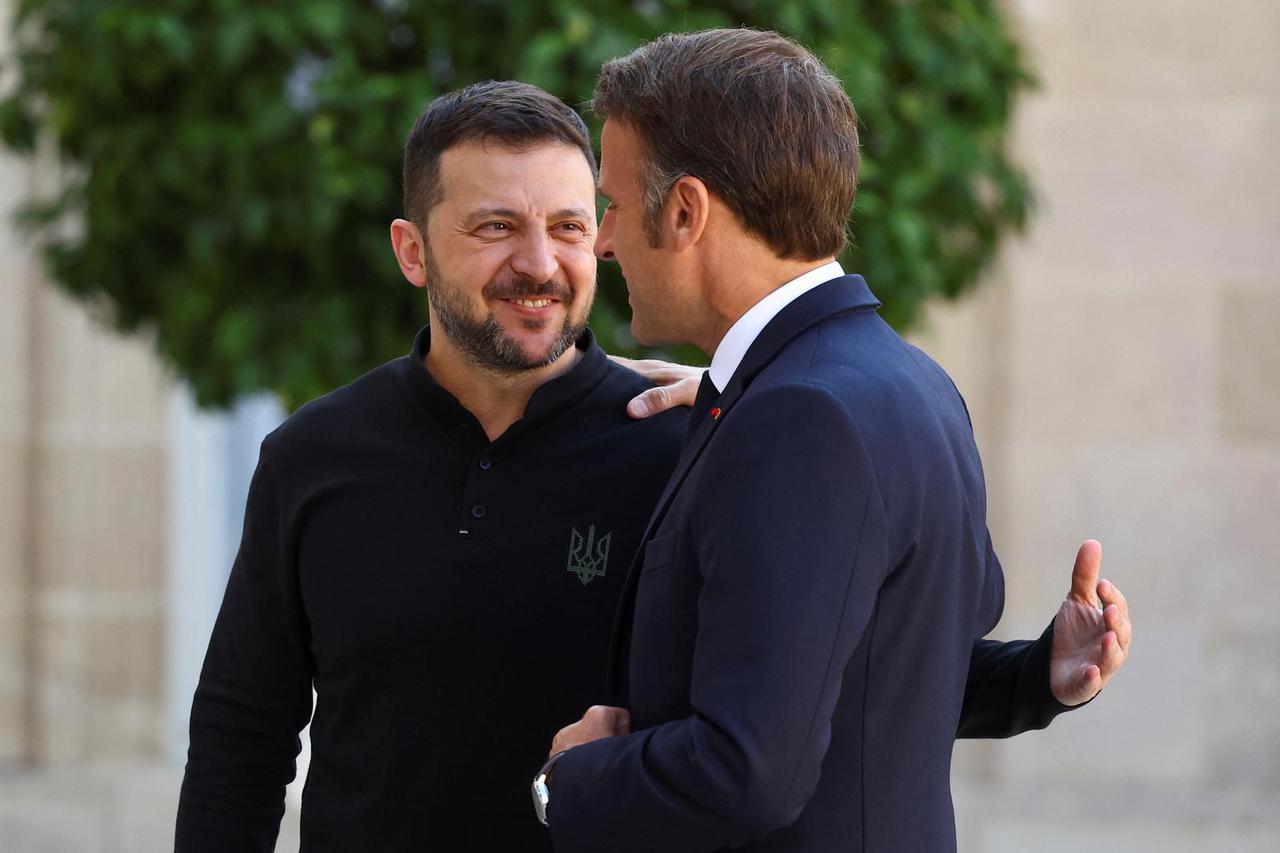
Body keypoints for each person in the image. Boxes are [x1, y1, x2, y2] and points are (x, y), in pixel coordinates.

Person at [175, 80, 1126, 852]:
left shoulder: (687, 441)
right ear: (412, 251)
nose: (541, 262)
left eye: (577, 223)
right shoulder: (311, 456)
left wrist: (1035, 677)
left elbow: (826, 684)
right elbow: (241, 735)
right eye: (495, 227)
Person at [542, 30, 1131, 853]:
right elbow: (872, 676)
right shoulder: (910, 382)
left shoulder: (798, 419)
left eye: (611, 203)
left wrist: (571, 779)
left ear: (685, 212)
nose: (602, 241)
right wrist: (1037, 678)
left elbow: (749, 769)